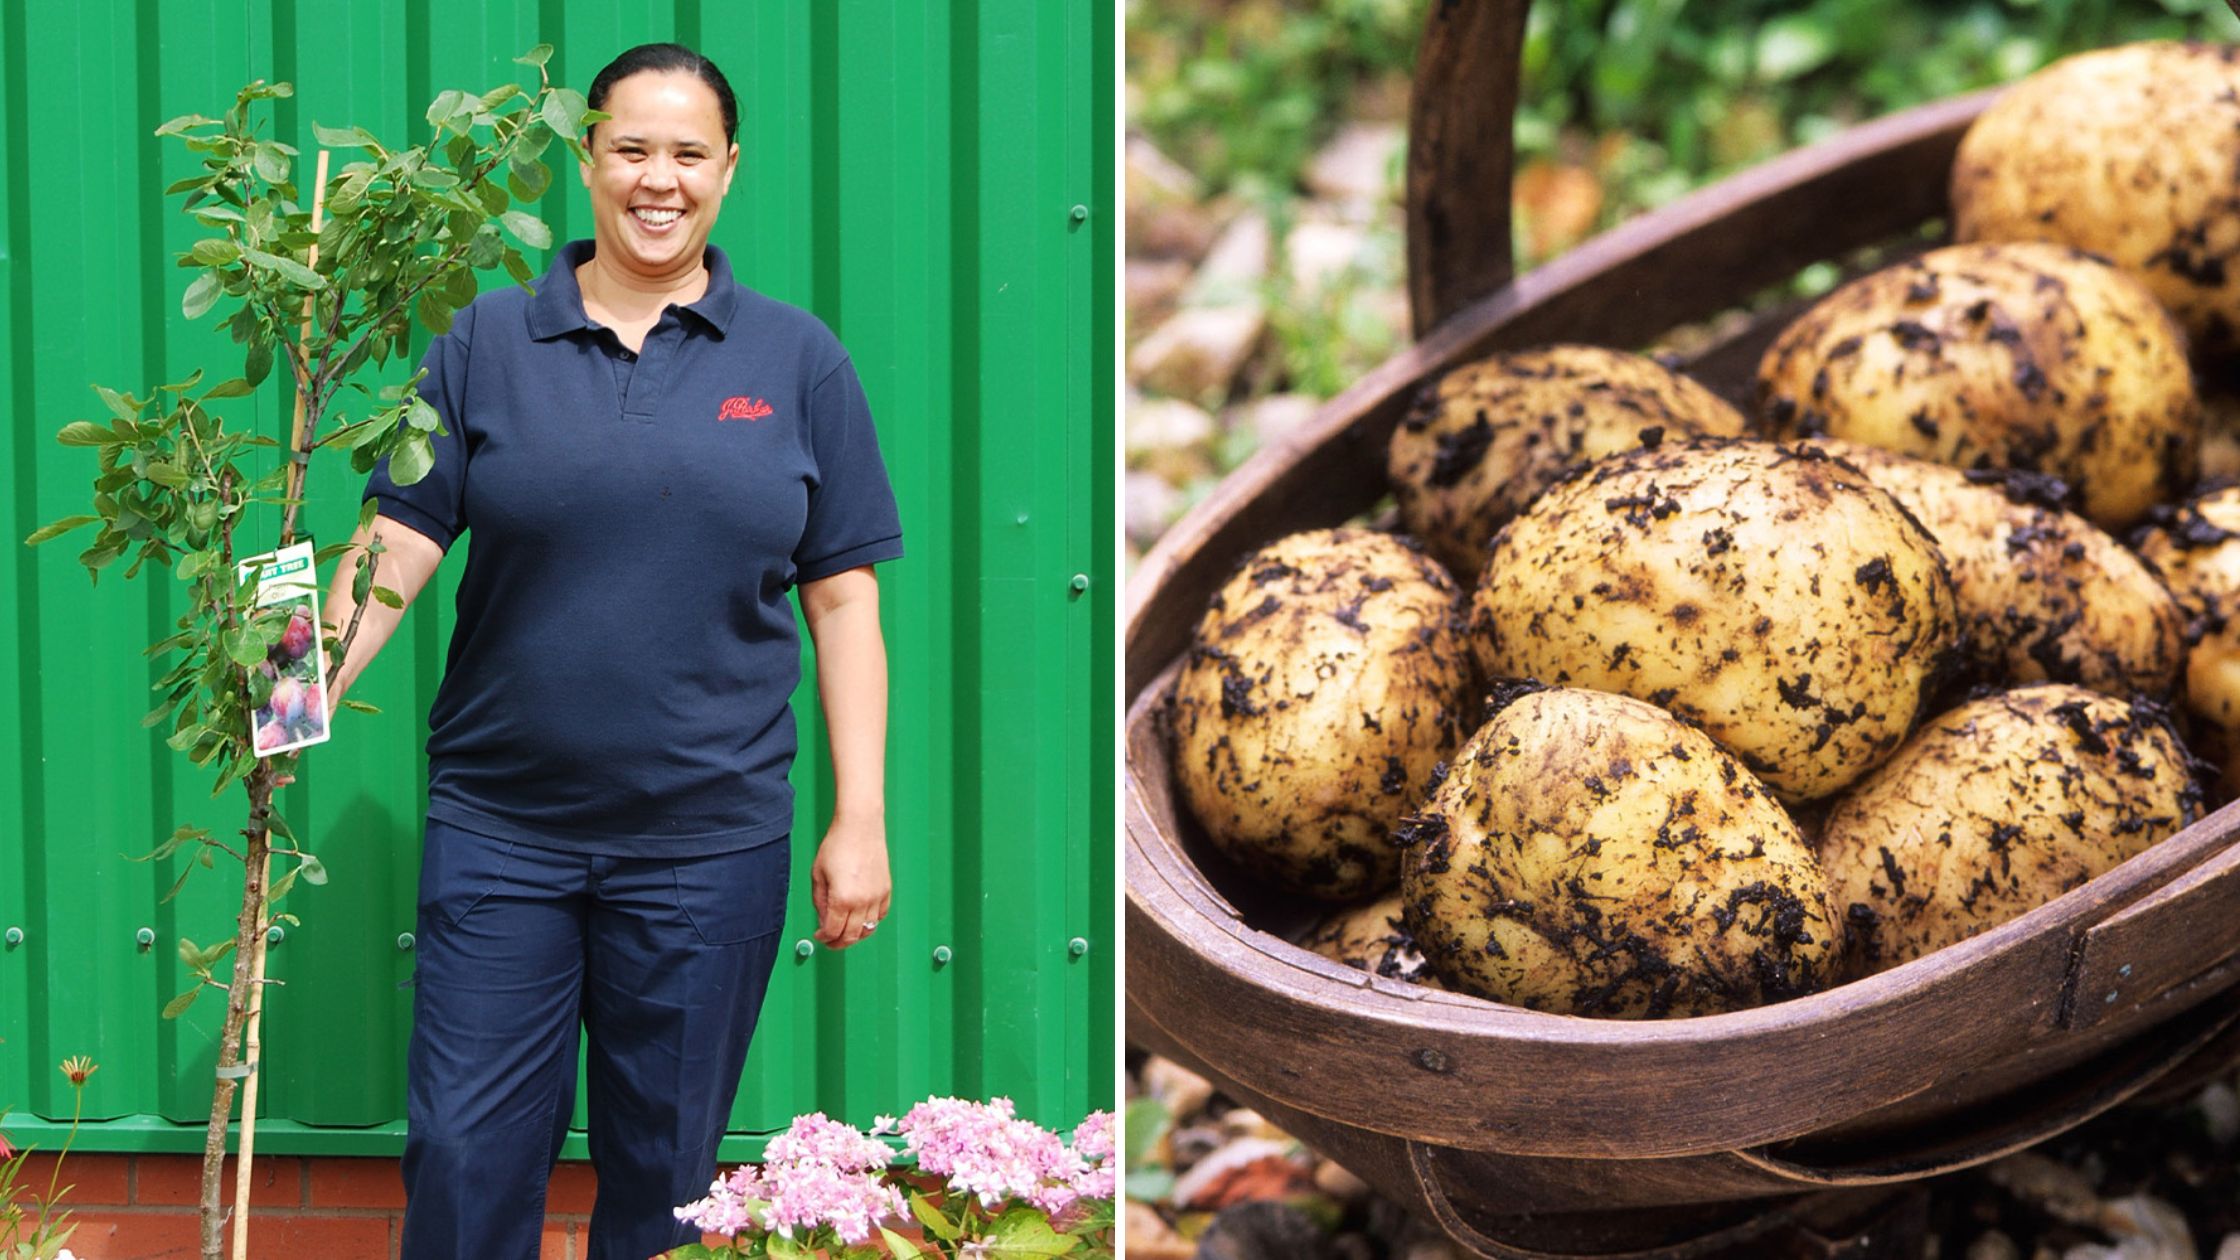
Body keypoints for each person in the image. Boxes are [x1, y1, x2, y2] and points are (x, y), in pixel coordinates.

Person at [317, 42, 903, 1260]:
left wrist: (862, 819)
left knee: (665, 1178)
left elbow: (843, 602)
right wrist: (281, 695)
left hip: (708, 841)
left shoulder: (797, 362)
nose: (658, 179)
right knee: (466, 1155)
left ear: (729, 171)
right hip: (503, 833)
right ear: (586, 159)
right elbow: (399, 540)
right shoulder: (482, 341)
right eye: (631, 148)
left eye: (688, 154)